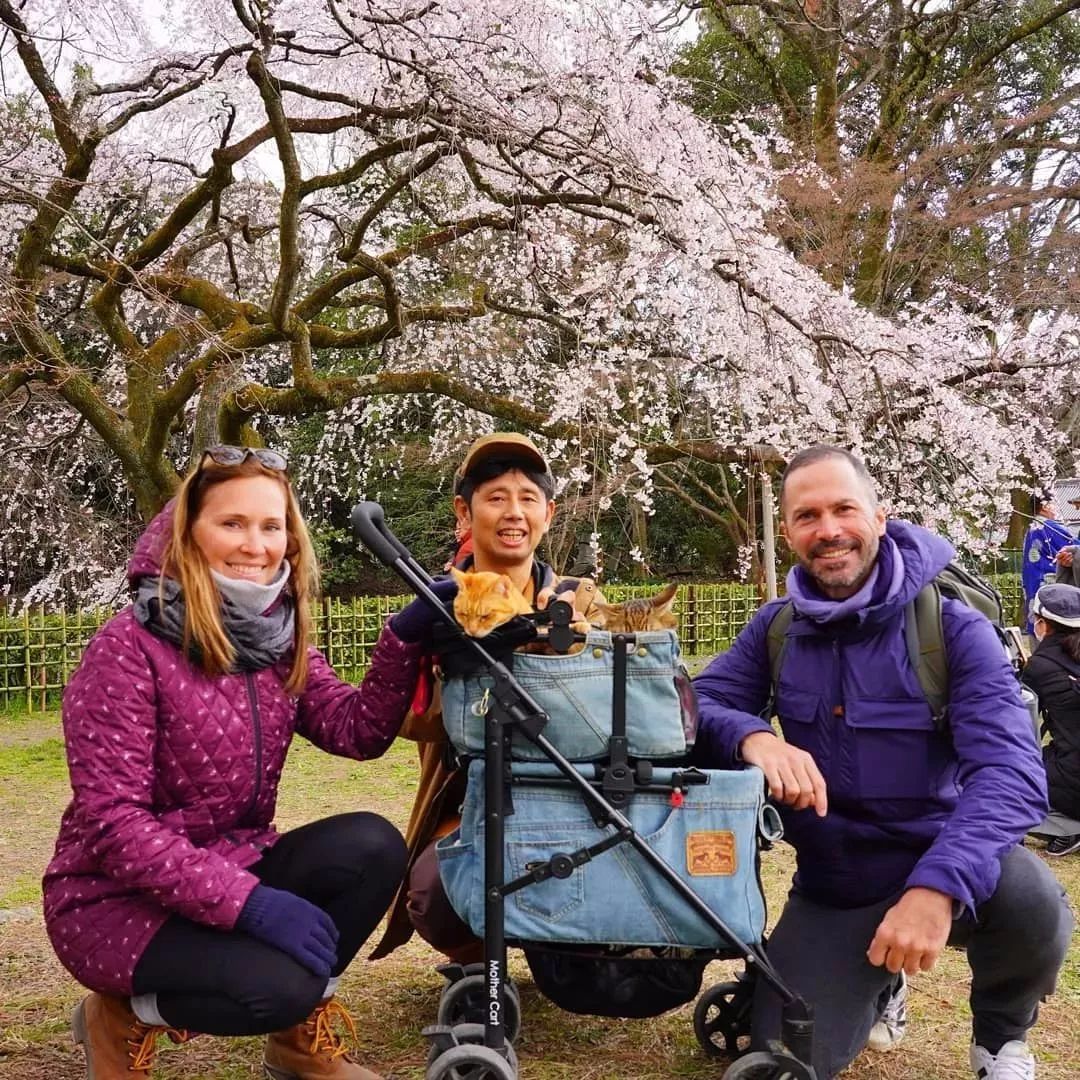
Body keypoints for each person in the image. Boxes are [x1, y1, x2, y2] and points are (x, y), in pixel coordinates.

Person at [43, 445, 450, 1080]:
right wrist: (252, 906)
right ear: (188, 533)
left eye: (271, 526)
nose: (254, 545)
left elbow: (356, 731)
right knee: (279, 984)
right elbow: (112, 825)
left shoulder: (278, 636)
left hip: (233, 861)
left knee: (372, 846)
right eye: (231, 524)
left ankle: (295, 1045)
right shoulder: (127, 648)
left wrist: (403, 636)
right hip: (114, 901)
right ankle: (119, 1016)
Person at [691, 445, 1072, 1080]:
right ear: (787, 531)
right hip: (837, 884)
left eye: (844, 508)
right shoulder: (774, 628)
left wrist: (937, 887)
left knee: (1035, 904)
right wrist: (755, 737)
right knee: (783, 1057)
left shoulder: (951, 630)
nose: (829, 529)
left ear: (879, 515)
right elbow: (702, 703)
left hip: (945, 856)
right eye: (807, 516)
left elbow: (1011, 773)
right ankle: (880, 984)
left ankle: (1001, 1039)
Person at [370, 432, 601, 963]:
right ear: (464, 512)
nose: (513, 513)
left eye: (527, 498)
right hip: (471, 795)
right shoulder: (438, 602)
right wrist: (444, 654)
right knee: (435, 892)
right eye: (495, 497)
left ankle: (562, 946)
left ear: (548, 512)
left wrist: (573, 642)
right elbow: (404, 720)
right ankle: (477, 957)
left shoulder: (578, 598)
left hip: (572, 792)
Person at [1022, 583, 1080, 856]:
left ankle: (1067, 828)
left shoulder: (1040, 666)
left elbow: (1021, 726)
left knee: (1006, 778)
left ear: (1043, 624)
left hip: (1073, 780)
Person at [1022, 495, 1074, 633]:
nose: (1057, 508)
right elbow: (1075, 548)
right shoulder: (1049, 527)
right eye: (1054, 503)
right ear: (1045, 506)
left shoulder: (1033, 527)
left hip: (1034, 588)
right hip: (1050, 588)